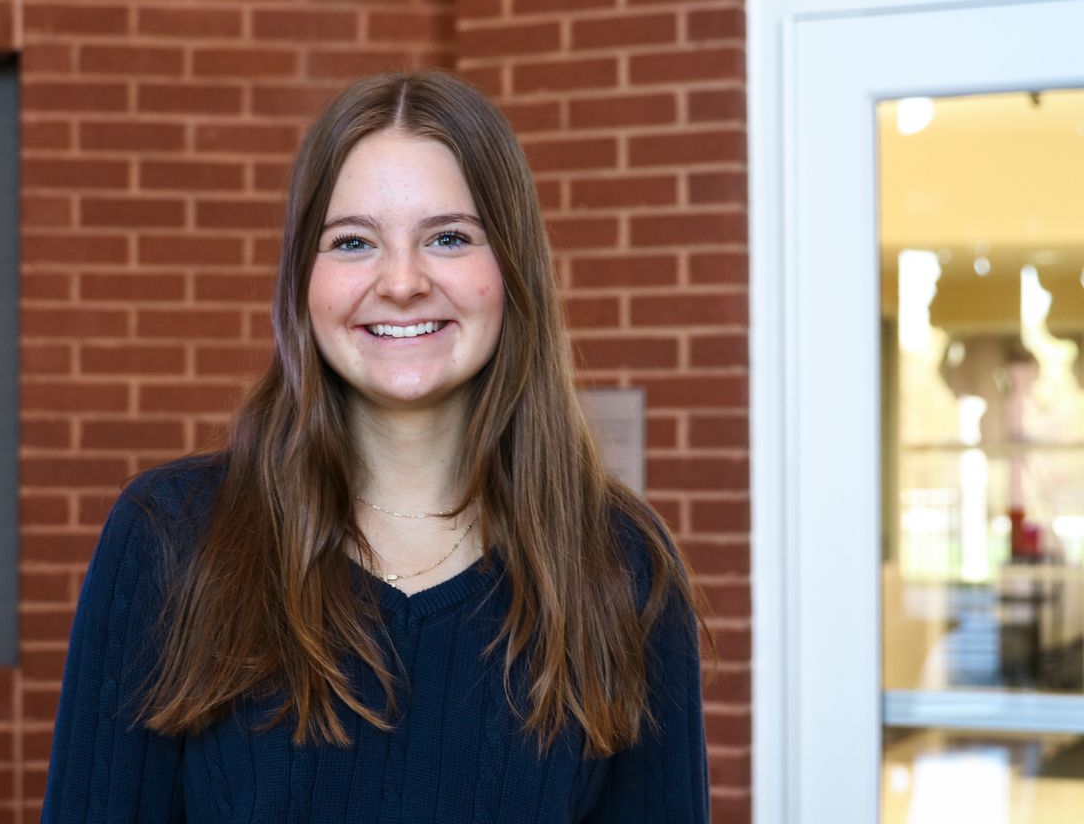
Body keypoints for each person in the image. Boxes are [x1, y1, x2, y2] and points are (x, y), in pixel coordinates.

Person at [41, 70, 710, 823]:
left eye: (449, 237)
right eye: (354, 241)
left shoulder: (619, 566)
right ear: (304, 278)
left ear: (511, 269)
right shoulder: (171, 540)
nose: (400, 282)